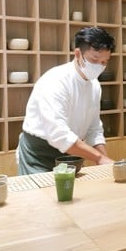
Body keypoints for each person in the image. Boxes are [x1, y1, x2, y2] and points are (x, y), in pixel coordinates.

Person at [17, 27, 116, 175]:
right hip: (39, 155)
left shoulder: (94, 85)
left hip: (72, 151)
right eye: (94, 60)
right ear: (78, 54)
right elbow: (59, 135)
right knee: (42, 190)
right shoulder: (56, 81)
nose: (99, 67)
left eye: (104, 62)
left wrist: (104, 160)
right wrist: (99, 158)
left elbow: (93, 129)